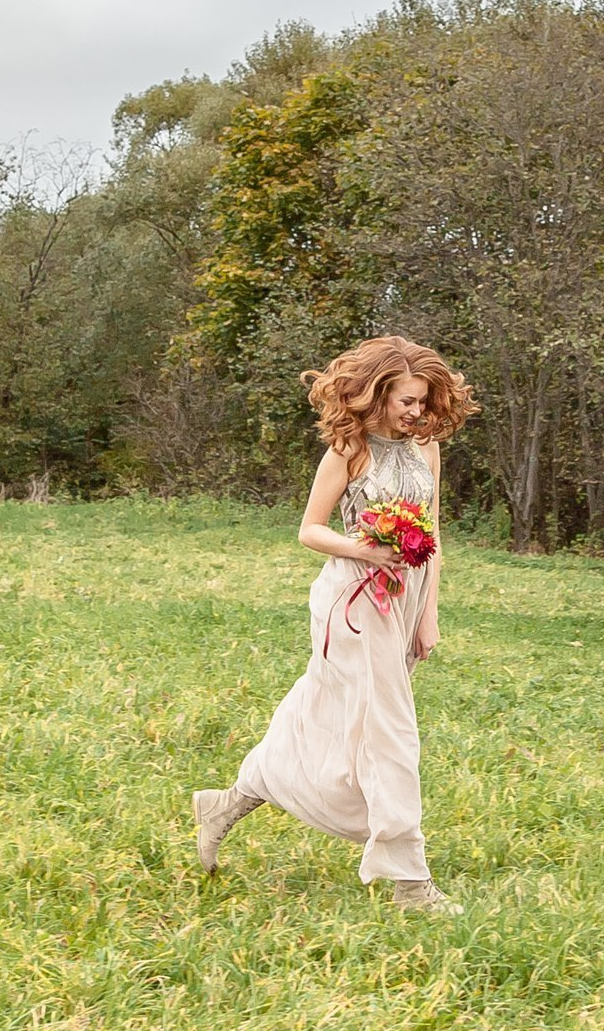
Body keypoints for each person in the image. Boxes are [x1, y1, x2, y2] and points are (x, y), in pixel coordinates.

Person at [193, 335, 476, 911]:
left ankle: (227, 804)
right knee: (391, 732)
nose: (416, 412)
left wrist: (429, 615)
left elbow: (435, 534)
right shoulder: (348, 451)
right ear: (374, 395)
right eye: (405, 401)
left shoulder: (426, 449)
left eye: (422, 401)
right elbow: (309, 530)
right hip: (354, 600)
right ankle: (410, 881)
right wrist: (364, 550)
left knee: (328, 718)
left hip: (404, 602)